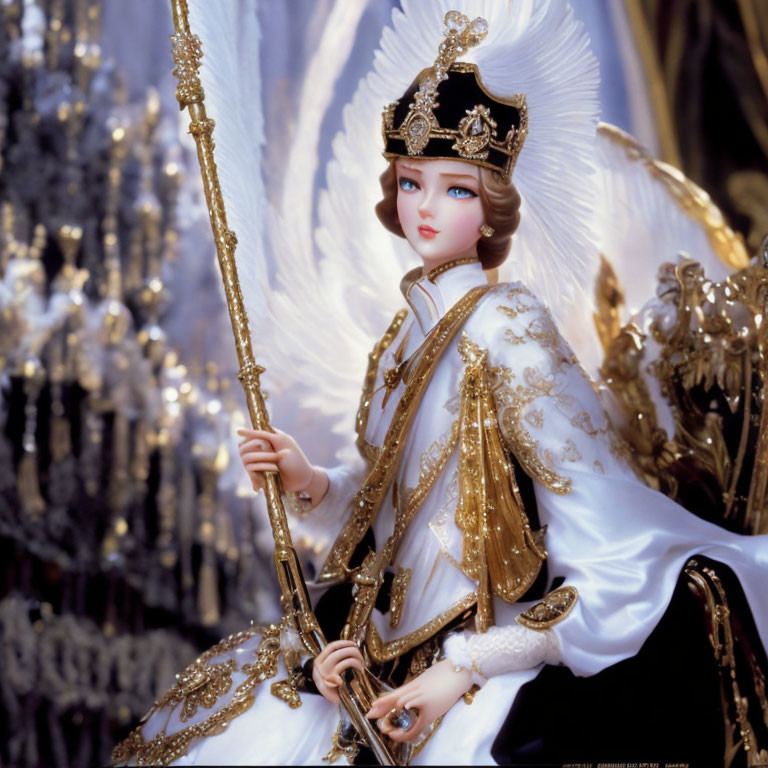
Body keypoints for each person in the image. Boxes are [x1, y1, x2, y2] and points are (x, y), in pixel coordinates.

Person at [113, 3, 768, 766]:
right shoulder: (403, 332)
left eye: (455, 189)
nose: (425, 208)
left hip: (468, 649)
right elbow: (397, 499)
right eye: (413, 183)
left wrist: (463, 667)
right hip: (368, 643)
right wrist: (312, 482)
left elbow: (606, 536)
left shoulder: (509, 327)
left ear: (491, 206)